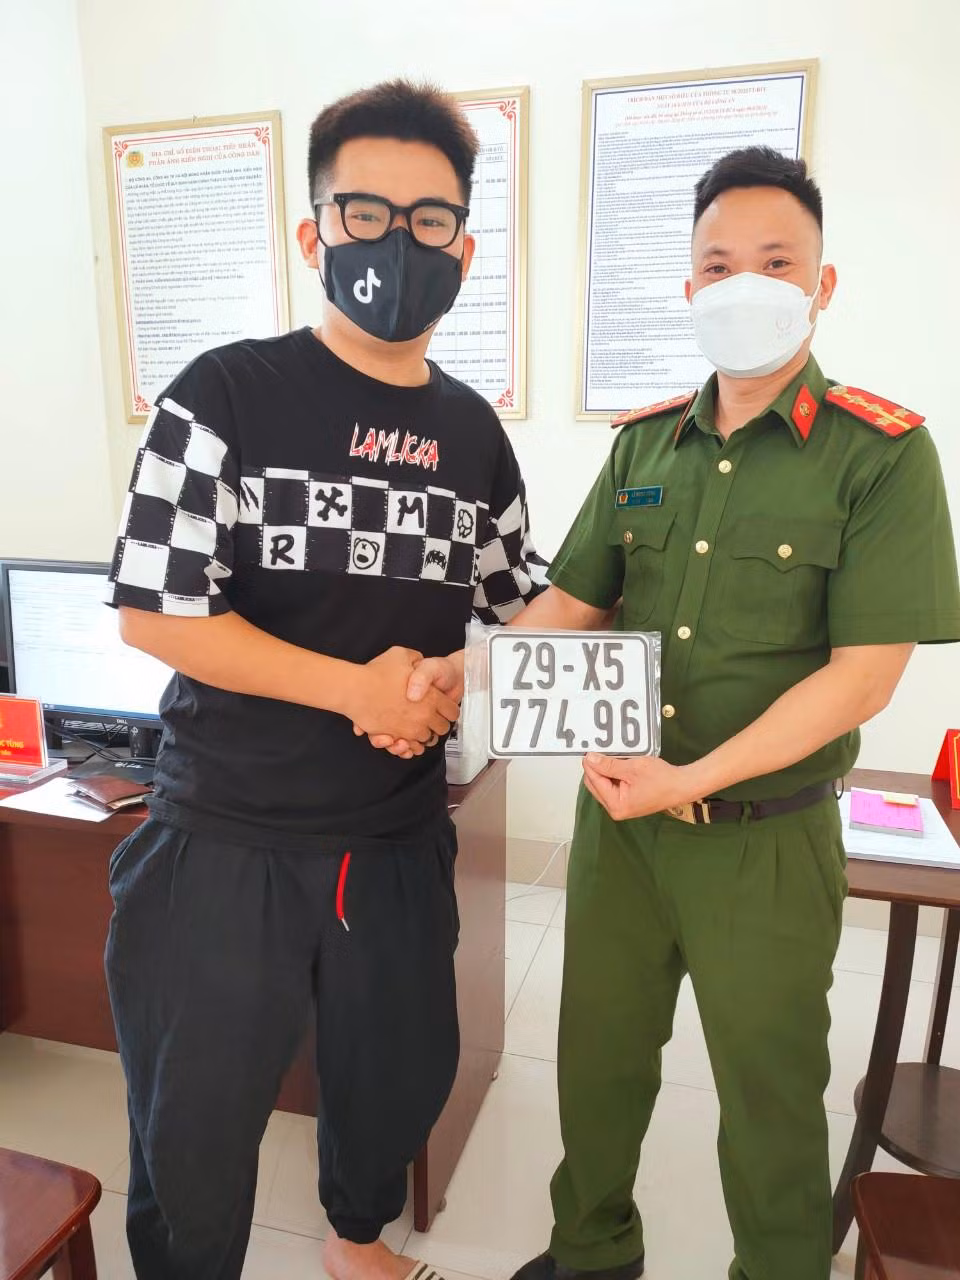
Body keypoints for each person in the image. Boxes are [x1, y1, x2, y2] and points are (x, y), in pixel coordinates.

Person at [104, 79, 544, 1280]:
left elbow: (521, 603)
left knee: (394, 1078)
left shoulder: (474, 434)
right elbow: (154, 610)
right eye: (366, 213)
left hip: (393, 839)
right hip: (223, 834)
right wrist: (357, 689)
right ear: (315, 233)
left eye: (431, 219)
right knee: (193, 1124)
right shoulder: (222, 392)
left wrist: (453, 677)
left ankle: (358, 1240)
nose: (398, 242)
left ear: (463, 248)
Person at [497, 147, 960, 1280]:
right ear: (689, 285)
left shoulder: (882, 455)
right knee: (597, 1060)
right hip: (621, 825)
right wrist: (468, 676)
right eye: (718, 263)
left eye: (775, 261)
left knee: (769, 1091)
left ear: (822, 283)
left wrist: (689, 781)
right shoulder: (643, 442)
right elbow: (575, 600)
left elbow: (863, 677)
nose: (743, 282)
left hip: (765, 840)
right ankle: (590, 1251)